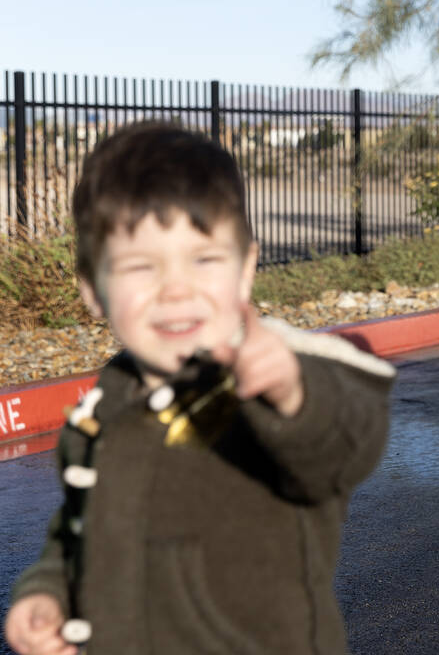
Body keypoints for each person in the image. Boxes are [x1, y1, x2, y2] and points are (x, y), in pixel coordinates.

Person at [5, 122, 396, 654]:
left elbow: (344, 448)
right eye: (141, 267)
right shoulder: (105, 405)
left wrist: (291, 394)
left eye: (204, 260)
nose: (176, 289)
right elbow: (82, 530)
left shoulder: (275, 381)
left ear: (244, 271)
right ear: (93, 289)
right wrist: (49, 594)